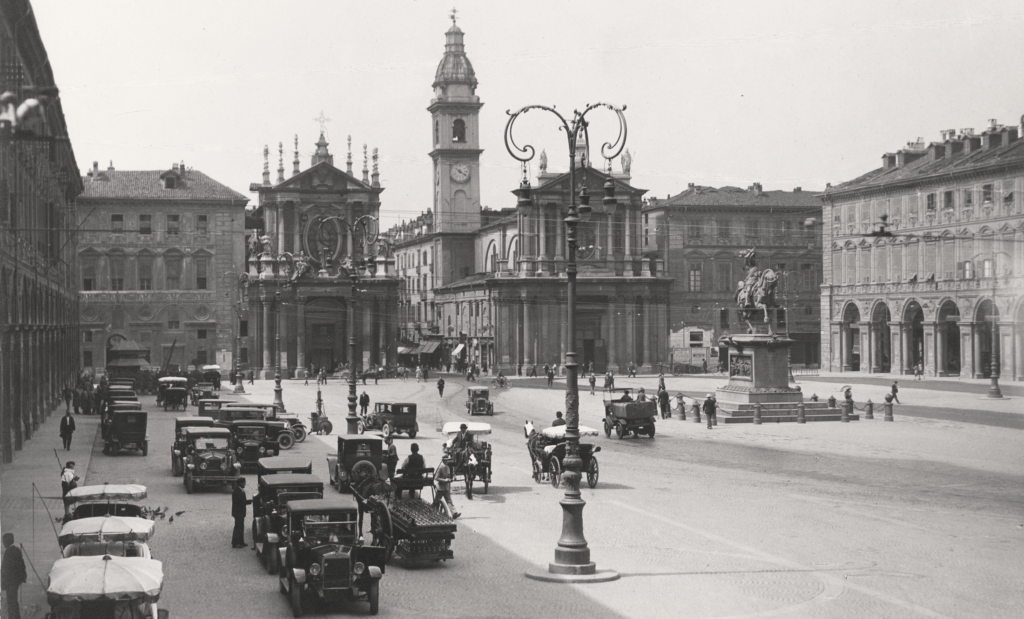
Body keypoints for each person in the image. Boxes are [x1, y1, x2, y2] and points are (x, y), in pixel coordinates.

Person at [2, 533, 27, 619]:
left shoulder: (8, 552)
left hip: (10, 582)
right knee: (13, 601)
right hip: (16, 581)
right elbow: (22, 565)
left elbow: (5, 569)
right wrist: (22, 577)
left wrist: (3, 583)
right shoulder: (16, 550)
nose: (3, 543)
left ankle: (13, 617)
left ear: (7, 542)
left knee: (11, 602)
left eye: (4, 541)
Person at [231, 478, 251, 548]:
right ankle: (236, 543)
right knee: (238, 527)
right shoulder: (238, 491)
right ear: (241, 483)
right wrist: (250, 501)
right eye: (244, 482)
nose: (245, 484)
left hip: (239, 512)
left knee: (240, 527)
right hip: (238, 512)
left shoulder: (239, 490)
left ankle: (240, 542)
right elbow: (241, 502)